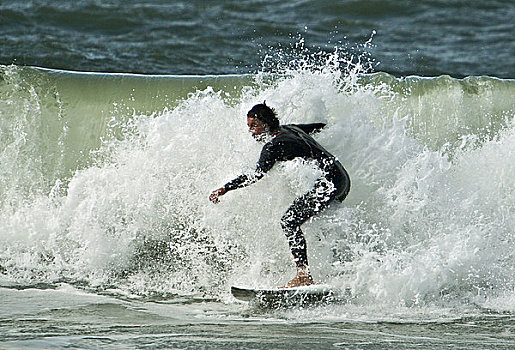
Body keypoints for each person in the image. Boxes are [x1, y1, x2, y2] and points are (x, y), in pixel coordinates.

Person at [210, 103, 350, 288]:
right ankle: (343, 268)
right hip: (342, 179)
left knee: (289, 221)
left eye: (254, 126)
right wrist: (340, 126)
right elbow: (318, 127)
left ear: (266, 125)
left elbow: (256, 174)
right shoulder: (290, 129)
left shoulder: (273, 146)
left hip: (329, 183)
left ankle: (303, 276)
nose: (251, 132)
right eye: (249, 126)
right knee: (317, 223)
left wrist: (225, 189)